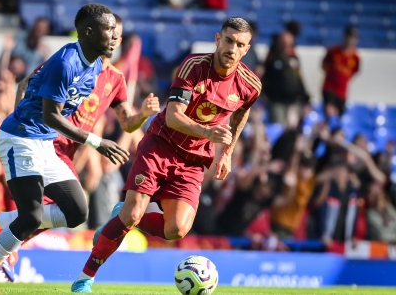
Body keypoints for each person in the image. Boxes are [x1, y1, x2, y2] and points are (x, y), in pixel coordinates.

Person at [0, 12, 160, 285]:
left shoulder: (109, 75)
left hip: (57, 144)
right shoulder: (67, 60)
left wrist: (143, 114)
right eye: (110, 30)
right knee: (32, 217)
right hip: (39, 138)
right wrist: (21, 121)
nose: (116, 37)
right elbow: (30, 86)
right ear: (90, 33)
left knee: (71, 213)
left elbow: (128, 124)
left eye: (117, 33)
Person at [71, 17, 261, 293]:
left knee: (176, 229)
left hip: (194, 160)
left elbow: (243, 111)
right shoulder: (194, 67)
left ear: (247, 49)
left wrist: (228, 153)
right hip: (161, 145)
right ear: (218, 39)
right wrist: (209, 134)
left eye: (240, 45)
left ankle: (121, 219)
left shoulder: (250, 84)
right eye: (229, 41)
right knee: (134, 211)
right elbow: (173, 117)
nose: (232, 48)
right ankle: (84, 279)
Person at [322, 26, 360, 117]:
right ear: (344, 36)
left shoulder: (355, 58)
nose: (350, 40)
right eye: (349, 37)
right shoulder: (333, 51)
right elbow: (324, 65)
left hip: (342, 92)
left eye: (353, 38)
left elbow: (354, 72)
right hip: (329, 88)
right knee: (330, 113)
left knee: (338, 116)